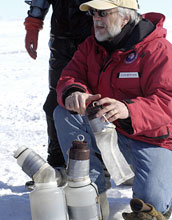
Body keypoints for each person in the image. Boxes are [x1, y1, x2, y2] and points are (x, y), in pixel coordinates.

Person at [53, 0, 172, 219]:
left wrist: (129, 110)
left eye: (102, 13)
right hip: (109, 130)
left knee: (150, 206)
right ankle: (89, 189)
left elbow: (168, 101)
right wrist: (74, 92)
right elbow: (71, 76)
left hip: (152, 139)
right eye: (93, 13)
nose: (96, 18)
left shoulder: (158, 50)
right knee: (64, 113)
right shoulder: (91, 45)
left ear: (126, 16)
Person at [23, 0, 92, 169]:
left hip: (99, 35)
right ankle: (58, 163)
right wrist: (33, 23)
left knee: (106, 96)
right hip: (62, 38)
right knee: (56, 98)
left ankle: (119, 162)